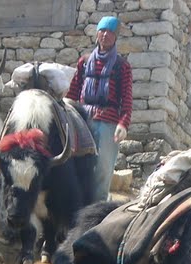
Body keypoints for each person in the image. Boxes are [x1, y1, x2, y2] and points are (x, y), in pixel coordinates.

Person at [66, 15, 133, 202]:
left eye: (110, 32)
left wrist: (123, 124)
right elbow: (74, 91)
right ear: (97, 34)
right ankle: (78, 203)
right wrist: (66, 111)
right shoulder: (85, 62)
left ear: (116, 37)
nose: (105, 35)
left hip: (108, 122)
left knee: (103, 168)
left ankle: (98, 207)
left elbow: (126, 99)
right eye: (102, 31)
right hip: (82, 119)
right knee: (78, 161)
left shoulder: (122, 66)